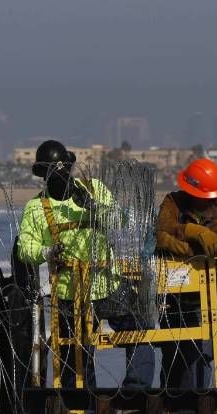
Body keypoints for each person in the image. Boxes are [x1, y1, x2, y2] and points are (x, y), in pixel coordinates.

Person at [16, 139, 155, 389]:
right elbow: (24, 248)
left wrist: (93, 207)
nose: (62, 177)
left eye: (65, 170)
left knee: (139, 330)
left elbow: (118, 220)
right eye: (55, 173)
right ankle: (82, 406)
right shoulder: (36, 208)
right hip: (69, 293)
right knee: (75, 355)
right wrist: (46, 251)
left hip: (107, 285)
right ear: (45, 176)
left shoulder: (94, 189)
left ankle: (135, 390)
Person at [154, 157, 217, 388]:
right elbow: (159, 229)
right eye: (210, 199)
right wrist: (191, 230)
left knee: (202, 351)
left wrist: (171, 242)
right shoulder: (173, 201)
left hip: (214, 293)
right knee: (173, 352)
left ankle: (198, 407)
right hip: (173, 293)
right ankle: (172, 409)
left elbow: (214, 249)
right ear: (193, 194)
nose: (216, 203)